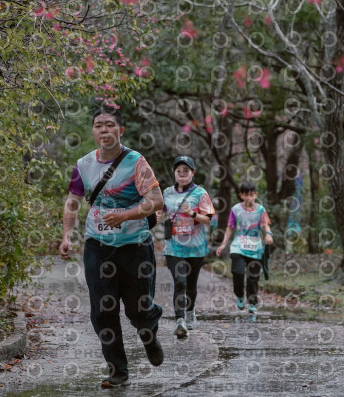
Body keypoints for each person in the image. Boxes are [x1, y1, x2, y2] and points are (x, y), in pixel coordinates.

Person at [59, 109, 164, 388]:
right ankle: (118, 369)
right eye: (98, 126)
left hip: (135, 246)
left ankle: (148, 331)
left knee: (138, 308)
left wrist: (125, 215)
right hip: (97, 245)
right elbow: (72, 202)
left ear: (121, 130)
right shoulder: (83, 165)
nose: (104, 130)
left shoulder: (136, 162)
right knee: (103, 311)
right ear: (93, 131)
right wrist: (67, 235)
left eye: (109, 125)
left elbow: (156, 201)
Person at [158, 156, 215, 338]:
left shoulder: (200, 193)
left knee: (191, 284)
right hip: (173, 247)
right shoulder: (167, 192)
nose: (182, 174)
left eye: (186, 171)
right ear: (174, 173)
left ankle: (190, 312)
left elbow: (208, 219)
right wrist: (157, 215)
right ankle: (180, 320)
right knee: (180, 282)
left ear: (192, 173)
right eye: (178, 171)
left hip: (195, 247)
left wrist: (192, 213)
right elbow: (160, 210)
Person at [216, 181, 273, 314]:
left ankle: (252, 303)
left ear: (256, 195)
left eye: (252, 195)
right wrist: (223, 244)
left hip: (255, 248)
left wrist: (268, 234)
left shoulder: (260, 210)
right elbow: (230, 227)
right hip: (238, 246)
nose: (249, 198)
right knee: (238, 272)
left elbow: (265, 225)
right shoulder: (236, 209)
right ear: (241, 195)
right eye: (246, 195)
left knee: (253, 278)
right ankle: (240, 295)